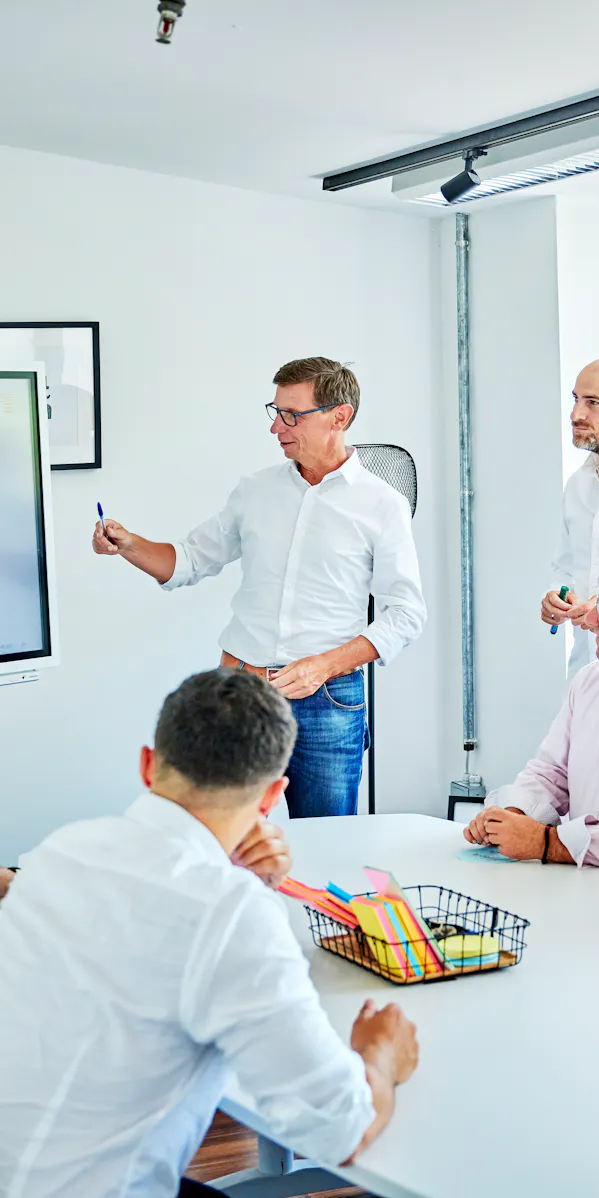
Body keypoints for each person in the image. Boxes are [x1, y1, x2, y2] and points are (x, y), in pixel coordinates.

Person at [0, 669, 419, 1198]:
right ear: (273, 796)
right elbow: (341, 1129)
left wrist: (240, 882)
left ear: (148, 765)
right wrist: (381, 1053)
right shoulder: (229, 911)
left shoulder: (60, 850)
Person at [92, 356, 426, 819]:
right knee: (223, 839)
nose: (277, 428)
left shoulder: (382, 504)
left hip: (327, 701)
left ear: (339, 416)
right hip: (239, 693)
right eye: (275, 411)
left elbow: (406, 612)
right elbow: (189, 560)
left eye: (292, 415)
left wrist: (324, 666)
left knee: (328, 846)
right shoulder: (254, 491)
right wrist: (128, 544)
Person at [464, 661, 599, 866]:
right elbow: (552, 772)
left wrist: (547, 843)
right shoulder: (588, 680)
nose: (582, 626)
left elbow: (545, 842)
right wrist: (514, 814)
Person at [541, 359, 599, 674]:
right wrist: (555, 596)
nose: (576, 414)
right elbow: (566, 567)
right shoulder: (578, 485)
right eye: (576, 399)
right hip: (586, 674)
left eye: (593, 402)